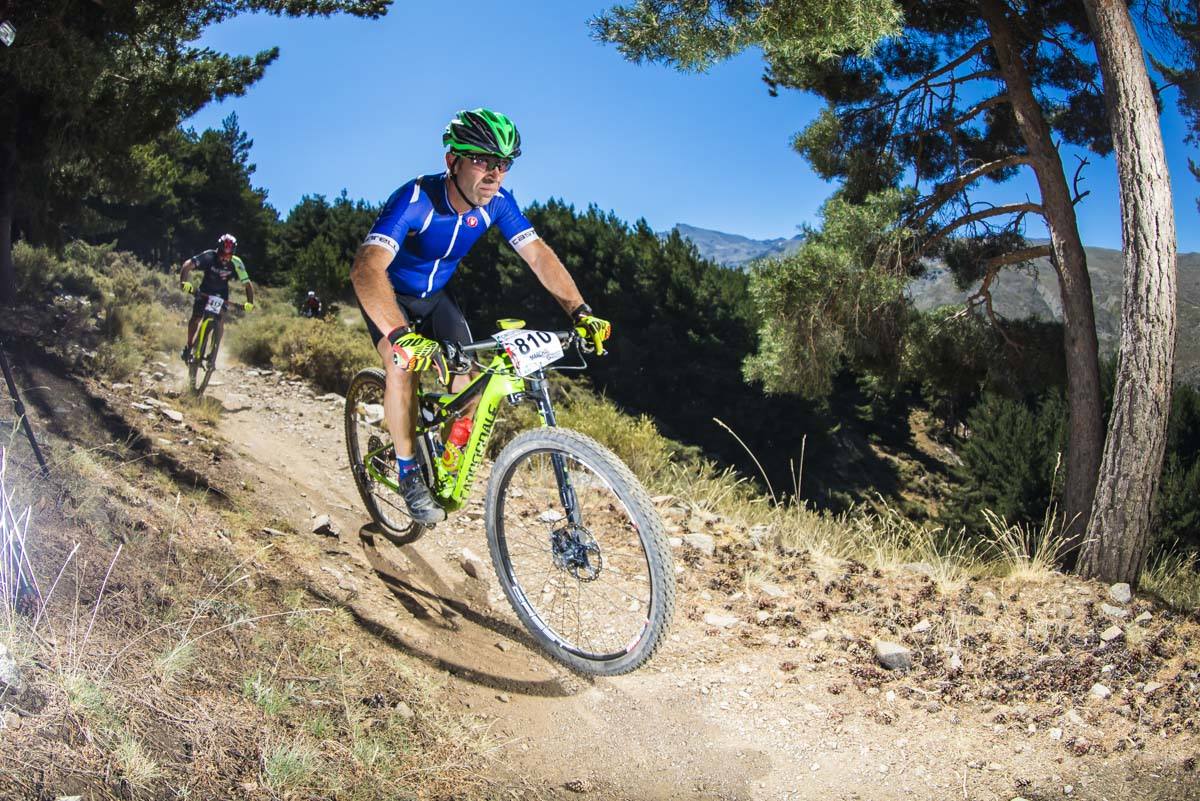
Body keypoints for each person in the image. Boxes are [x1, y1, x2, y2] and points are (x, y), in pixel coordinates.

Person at [351, 108, 611, 525]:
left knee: (468, 381)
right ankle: (408, 470)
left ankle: (446, 458)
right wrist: (398, 333)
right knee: (402, 367)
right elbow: (366, 269)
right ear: (452, 161)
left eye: (503, 164)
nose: (494, 174)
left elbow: (539, 256)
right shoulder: (416, 199)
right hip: (391, 298)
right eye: (483, 161)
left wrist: (581, 311)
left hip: (436, 297)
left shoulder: (499, 204)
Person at [179, 234, 255, 364]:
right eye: (222, 254)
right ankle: (189, 346)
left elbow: (247, 284)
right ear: (218, 249)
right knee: (196, 317)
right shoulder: (209, 255)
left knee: (220, 321)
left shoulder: (237, 262)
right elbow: (187, 265)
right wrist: (183, 282)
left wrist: (249, 302)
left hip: (221, 294)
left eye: (228, 255)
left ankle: (213, 353)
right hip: (205, 291)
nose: (225, 258)